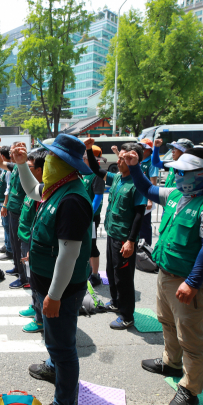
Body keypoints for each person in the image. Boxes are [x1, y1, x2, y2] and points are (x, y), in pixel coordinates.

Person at [123, 147, 203, 405]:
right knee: (166, 322)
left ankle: (190, 389)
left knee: (191, 338)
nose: (179, 176)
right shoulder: (175, 195)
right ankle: (171, 363)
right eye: (178, 171)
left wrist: (193, 282)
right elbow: (147, 190)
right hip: (166, 274)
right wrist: (135, 167)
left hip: (187, 282)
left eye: (185, 172)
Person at [12, 135, 94, 405]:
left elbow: (68, 255)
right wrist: (22, 165)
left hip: (60, 290)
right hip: (46, 284)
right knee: (55, 341)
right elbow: (33, 191)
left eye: (51, 157)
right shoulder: (57, 188)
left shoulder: (72, 199)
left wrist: (54, 296)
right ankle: (56, 369)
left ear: (65, 164)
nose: (45, 162)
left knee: (64, 348)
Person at [86, 140, 147, 330]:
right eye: (119, 157)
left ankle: (127, 315)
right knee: (112, 272)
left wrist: (130, 241)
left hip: (124, 237)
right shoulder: (118, 177)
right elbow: (97, 169)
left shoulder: (138, 183)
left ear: (132, 160)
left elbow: (139, 215)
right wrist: (89, 149)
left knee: (123, 278)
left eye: (122, 158)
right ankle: (115, 302)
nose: (118, 161)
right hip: (112, 233)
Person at [17, 149, 46, 334]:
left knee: (37, 281)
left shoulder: (44, 191)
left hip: (32, 241)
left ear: (40, 170)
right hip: (26, 239)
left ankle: (40, 319)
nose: (26, 171)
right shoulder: (35, 187)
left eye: (29, 167)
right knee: (32, 279)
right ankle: (35, 305)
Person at [0, 138, 28, 288]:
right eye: (12, 151)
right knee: (14, 244)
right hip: (13, 211)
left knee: (21, 246)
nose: (12, 153)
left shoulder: (27, 167)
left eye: (16, 150)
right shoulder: (14, 168)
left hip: (21, 212)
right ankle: (17, 268)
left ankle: (24, 277)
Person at [82, 145, 105, 286]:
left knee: (92, 246)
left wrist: (89, 213)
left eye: (84, 157)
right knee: (86, 245)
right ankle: (89, 271)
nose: (83, 160)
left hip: (91, 217)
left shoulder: (97, 175)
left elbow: (98, 198)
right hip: (84, 216)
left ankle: (95, 275)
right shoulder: (85, 173)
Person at [139, 138, 160, 247]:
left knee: (144, 225)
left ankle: (146, 249)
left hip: (145, 198)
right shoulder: (139, 160)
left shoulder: (151, 162)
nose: (140, 149)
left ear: (148, 149)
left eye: (142, 147)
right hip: (137, 197)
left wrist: (150, 200)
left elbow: (153, 183)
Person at [0, 145, 13, 260]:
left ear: (2, 156)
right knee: (5, 225)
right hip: (2, 203)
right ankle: (7, 245)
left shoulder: (10, 171)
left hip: (5, 203)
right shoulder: (6, 168)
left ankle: (10, 250)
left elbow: (9, 189)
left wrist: (5, 205)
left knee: (7, 226)